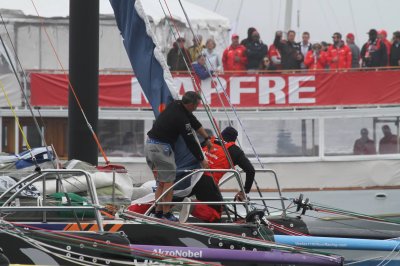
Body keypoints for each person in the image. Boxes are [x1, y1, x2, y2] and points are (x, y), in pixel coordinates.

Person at [145, 91, 212, 221]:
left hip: (150, 146)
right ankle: (166, 214)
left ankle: (158, 212)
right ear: (191, 104)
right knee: (169, 181)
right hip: (161, 149)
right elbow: (191, 142)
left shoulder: (176, 105)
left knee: (161, 182)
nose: (197, 107)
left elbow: (193, 121)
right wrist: (201, 160)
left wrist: (206, 138)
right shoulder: (181, 118)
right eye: (197, 104)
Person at [179, 126, 255, 223]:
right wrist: (244, 191)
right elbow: (250, 170)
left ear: (221, 135)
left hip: (190, 176)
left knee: (218, 204)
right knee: (215, 214)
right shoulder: (234, 150)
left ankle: (165, 209)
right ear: (234, 140)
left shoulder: (208, 140)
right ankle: (191, 205)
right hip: (206, 181)